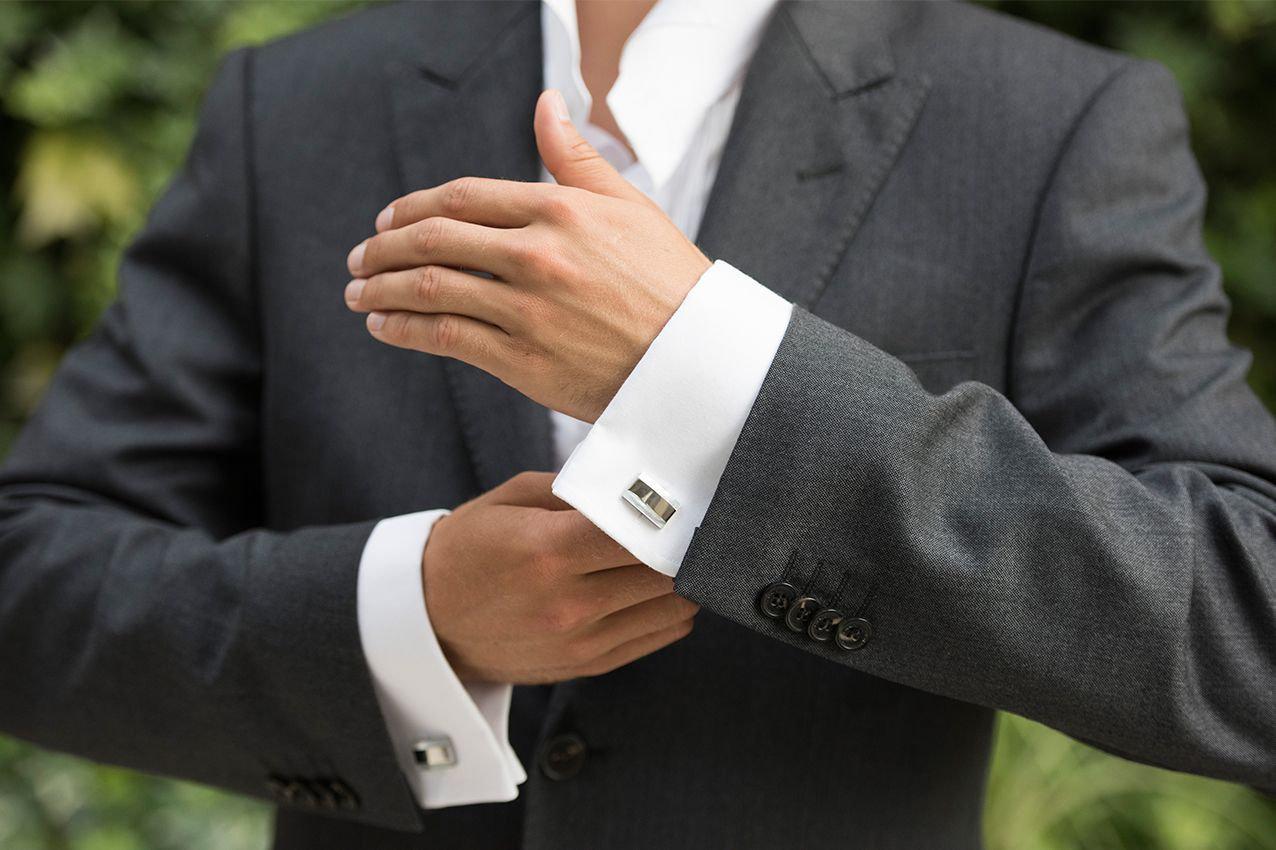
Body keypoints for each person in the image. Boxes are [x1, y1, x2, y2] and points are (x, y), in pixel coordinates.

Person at [1, 1, 1273, 848]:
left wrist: (707, 370)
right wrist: (412, 618)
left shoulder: (1049, 121)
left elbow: (1240, 625)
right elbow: (32, 587)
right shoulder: (296, 105)